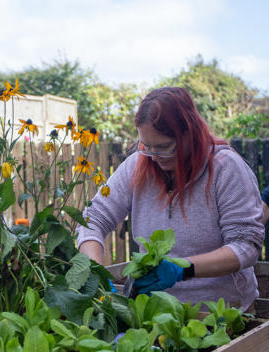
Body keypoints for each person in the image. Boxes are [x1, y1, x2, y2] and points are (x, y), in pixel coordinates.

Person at [77, 86, 265, 311]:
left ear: (190, 134)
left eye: (165, 147)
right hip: (155, 312)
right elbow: (93, 218)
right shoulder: (137, 166)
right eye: (147, 146)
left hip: (223, 313)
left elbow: (245, 246)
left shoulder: (226, 169)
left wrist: (184, 269)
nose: (154, 157)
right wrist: (95, 269)